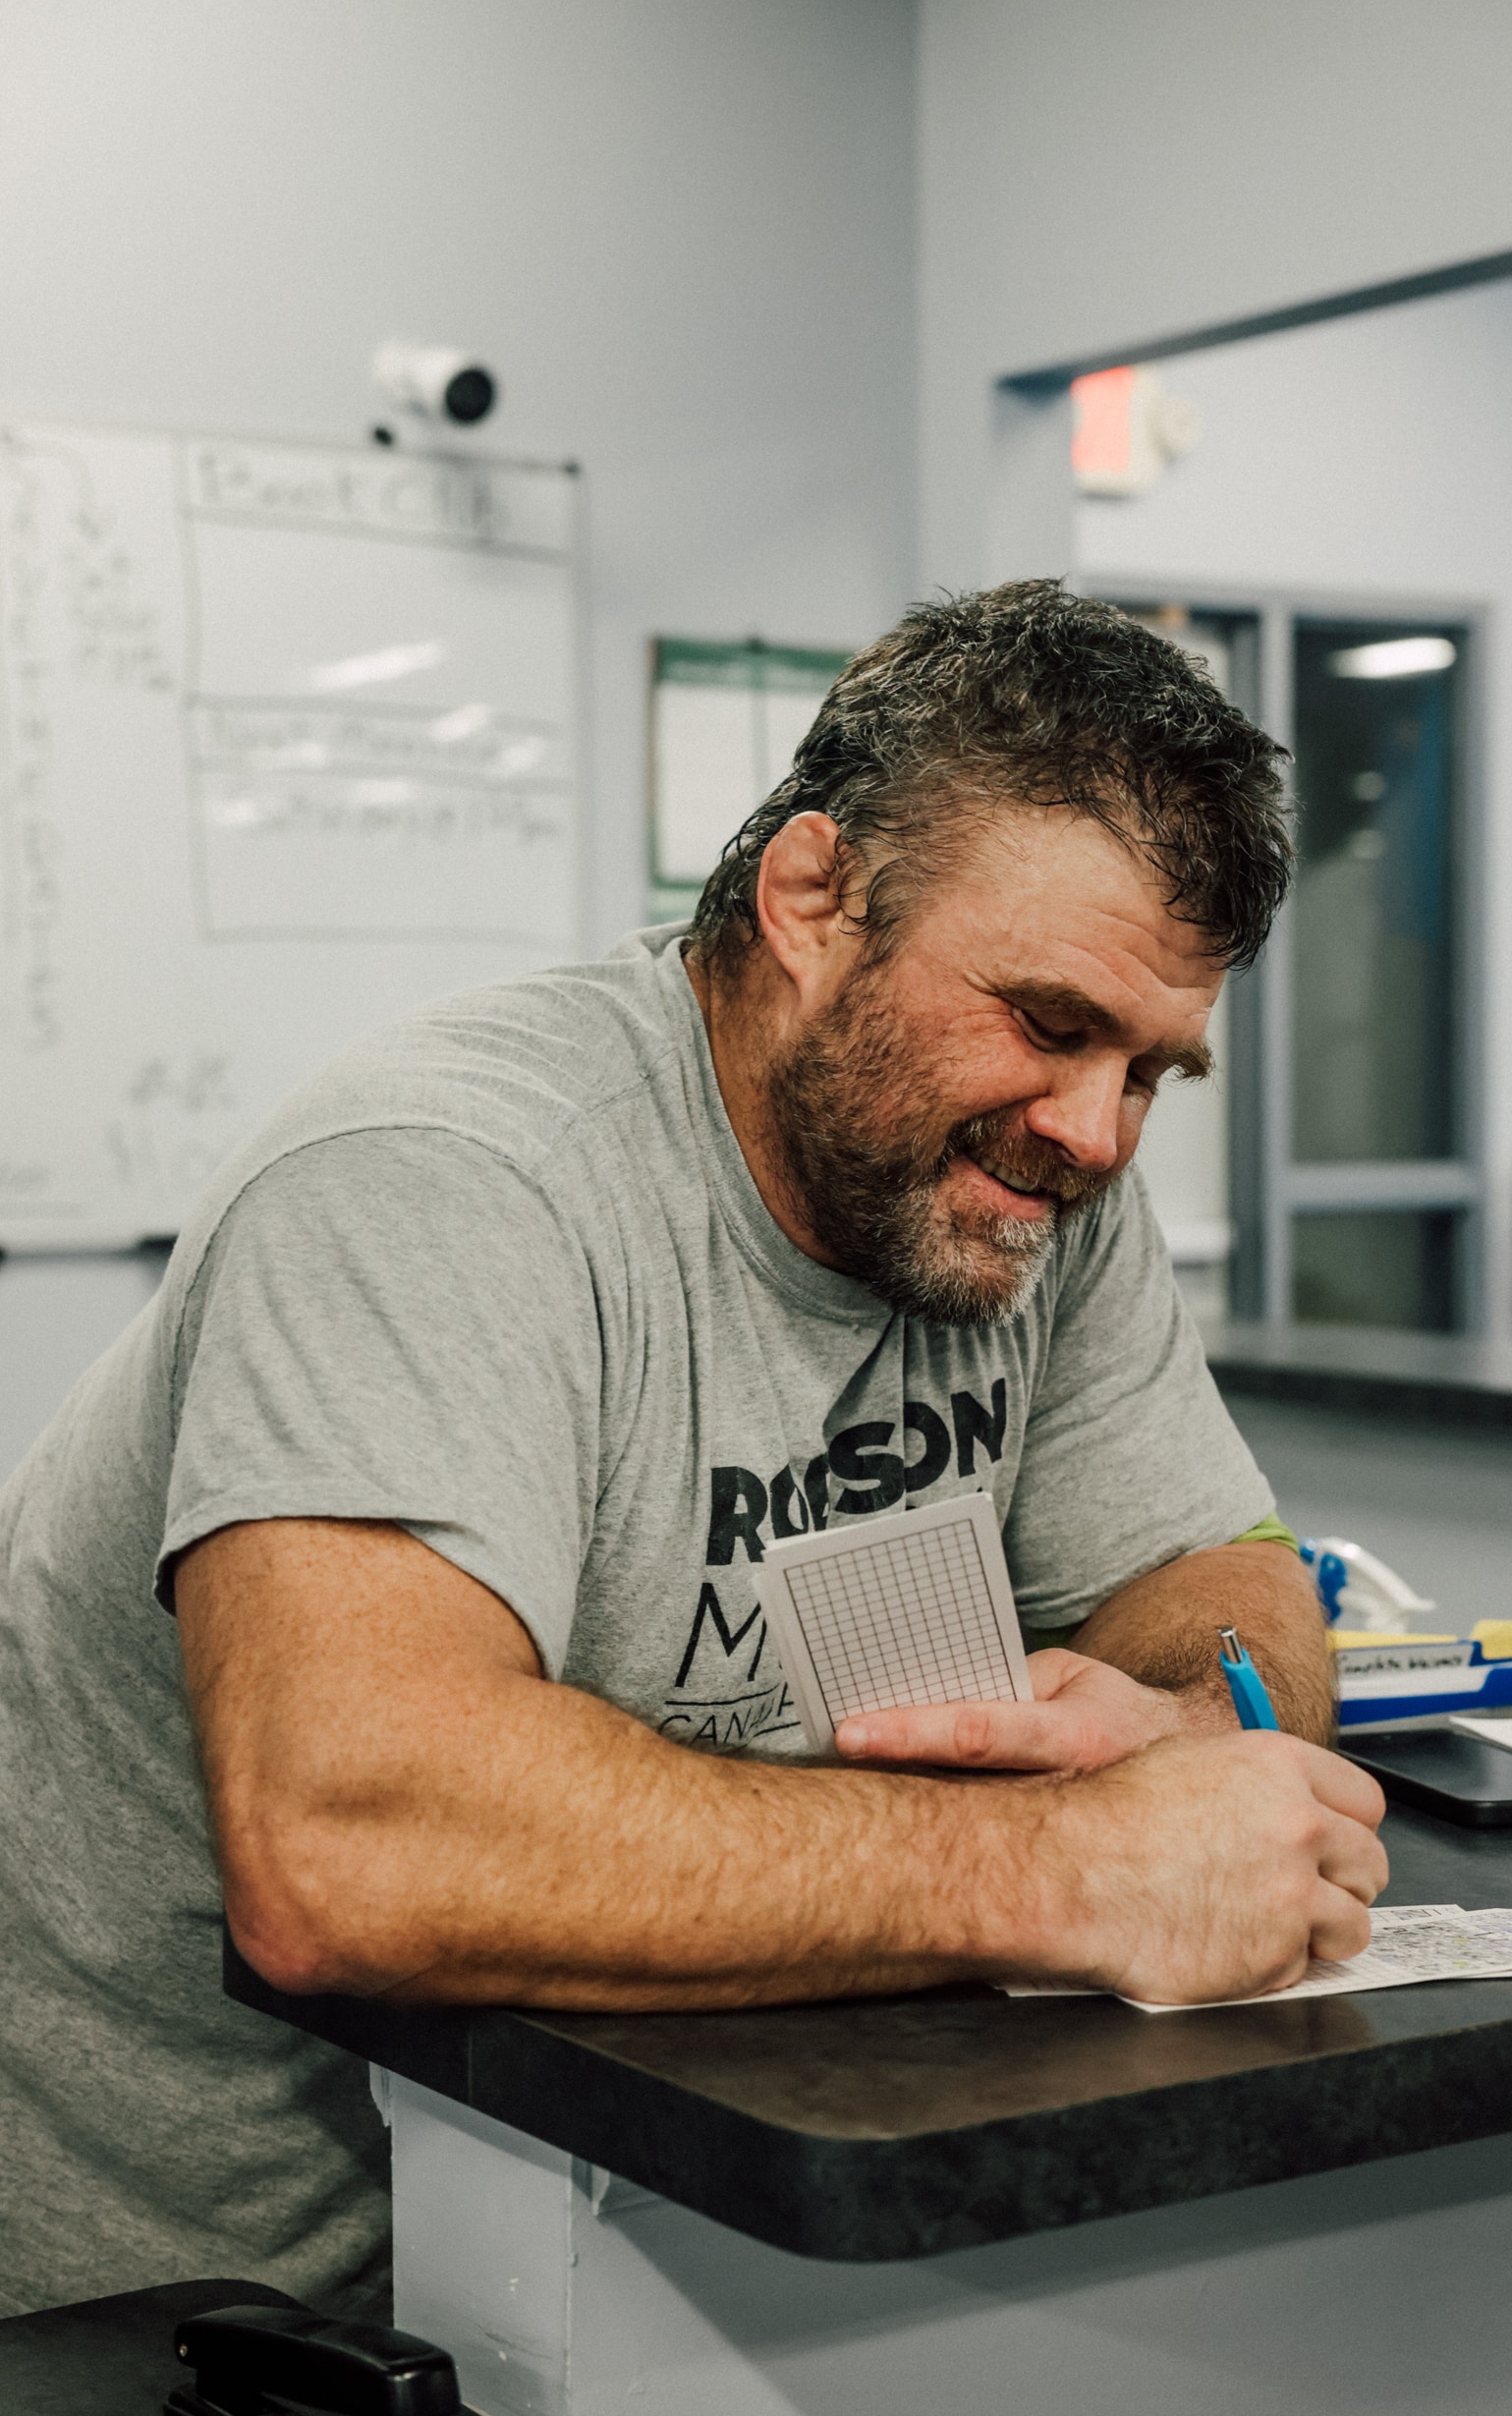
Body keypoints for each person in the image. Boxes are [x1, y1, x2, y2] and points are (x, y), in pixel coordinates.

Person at [0, 581, 1385, 2320]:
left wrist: (1187, 1731)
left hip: (654, 2232)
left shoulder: (1030, 1187)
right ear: (811, 896)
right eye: (1046, 1022)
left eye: (1151, 1070)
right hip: (213, 2308)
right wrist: (1069, 1865)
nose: (1098, 1133)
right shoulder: (443, 1182)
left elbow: (1225, 1583)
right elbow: (352, 1852)